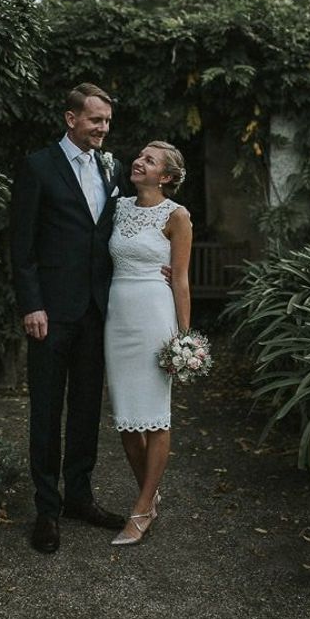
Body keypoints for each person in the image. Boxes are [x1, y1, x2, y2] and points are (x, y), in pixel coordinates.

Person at [10, 83, 130, 554]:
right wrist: (30, 304)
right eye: (95, 120)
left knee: (84, 409)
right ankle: (47, 508)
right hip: (50, 313)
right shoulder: (38, 166)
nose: (102, 128)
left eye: (106, 122)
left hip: (97, 313)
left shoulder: (113, 167)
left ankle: (80, 496)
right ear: (71, 118)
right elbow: (22, 246)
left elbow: (117, 232)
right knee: (46, 409)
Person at [104, 141, 192, 546]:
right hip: (117, 318)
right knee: (125, 418)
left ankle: (141, 509)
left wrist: (184, 340)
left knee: (155, 416)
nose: (139, 162)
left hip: (155, 317)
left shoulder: (177, 216)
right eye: (139, 156)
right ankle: (149, 495)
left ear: (167, 177)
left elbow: (180, 278)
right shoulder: (118, 206)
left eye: (150, 160)